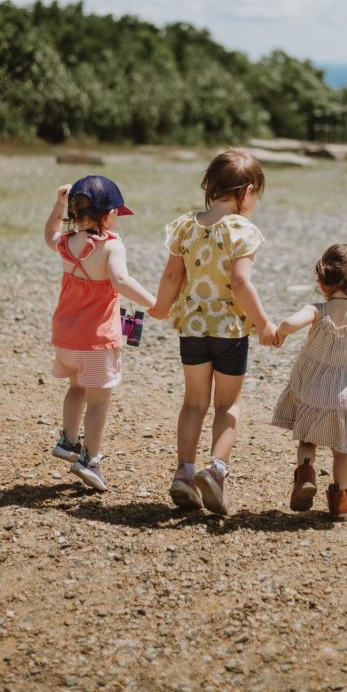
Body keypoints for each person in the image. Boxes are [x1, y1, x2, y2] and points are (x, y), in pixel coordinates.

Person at [150, 148, 276, 515]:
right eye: (257, 194)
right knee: (228, 404)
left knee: (193, 403)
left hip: (192, 327)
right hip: (229, 331)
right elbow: (240, 283)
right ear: (247, 190)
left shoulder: (186, 226)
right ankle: (216, 471)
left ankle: (184, 474)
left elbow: (173, 275)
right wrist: (265, 322)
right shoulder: (243, 231)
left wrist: (159, 307)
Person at [44, 174, 155, 492]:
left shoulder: (66, 244)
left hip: (66, 338)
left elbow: (49, 232)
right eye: (117, 212)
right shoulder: (111, 246)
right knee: (98, 402)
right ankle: (90, 459)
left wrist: (58, 203)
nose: (118, 217)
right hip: (96, 341)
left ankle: (68, 441)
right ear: (107, 216)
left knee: (76, 387)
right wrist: (155, 303)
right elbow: (120, 281)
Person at [271, 243, 347, 518]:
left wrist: (279, 332)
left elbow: (289, 324)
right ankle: (339, 499)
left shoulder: (317, 310)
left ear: (321, 280)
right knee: (342, 451)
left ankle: (305, 473)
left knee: (307, 439)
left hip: (315, 392)